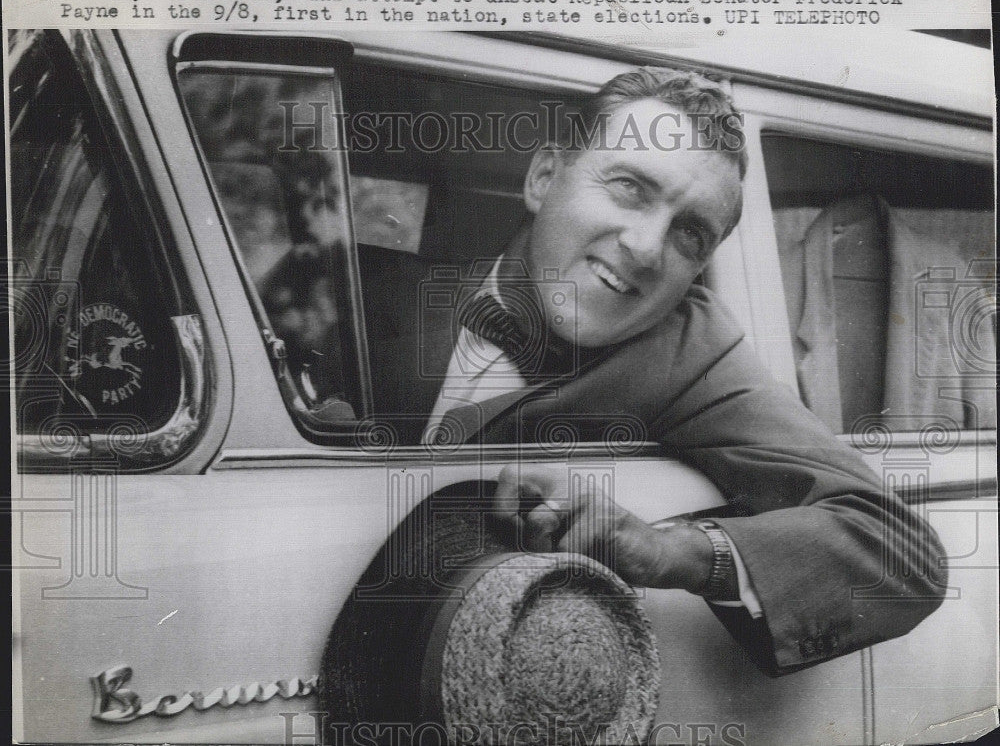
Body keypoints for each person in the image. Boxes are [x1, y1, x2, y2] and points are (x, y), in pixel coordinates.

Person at [357, 67, 947, 676]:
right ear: (544, 178)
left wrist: (675, 551)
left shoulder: (694, 352)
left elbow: (902, 555)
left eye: (689, 234)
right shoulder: (364, 294)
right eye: (629, 187)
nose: (644, 247)